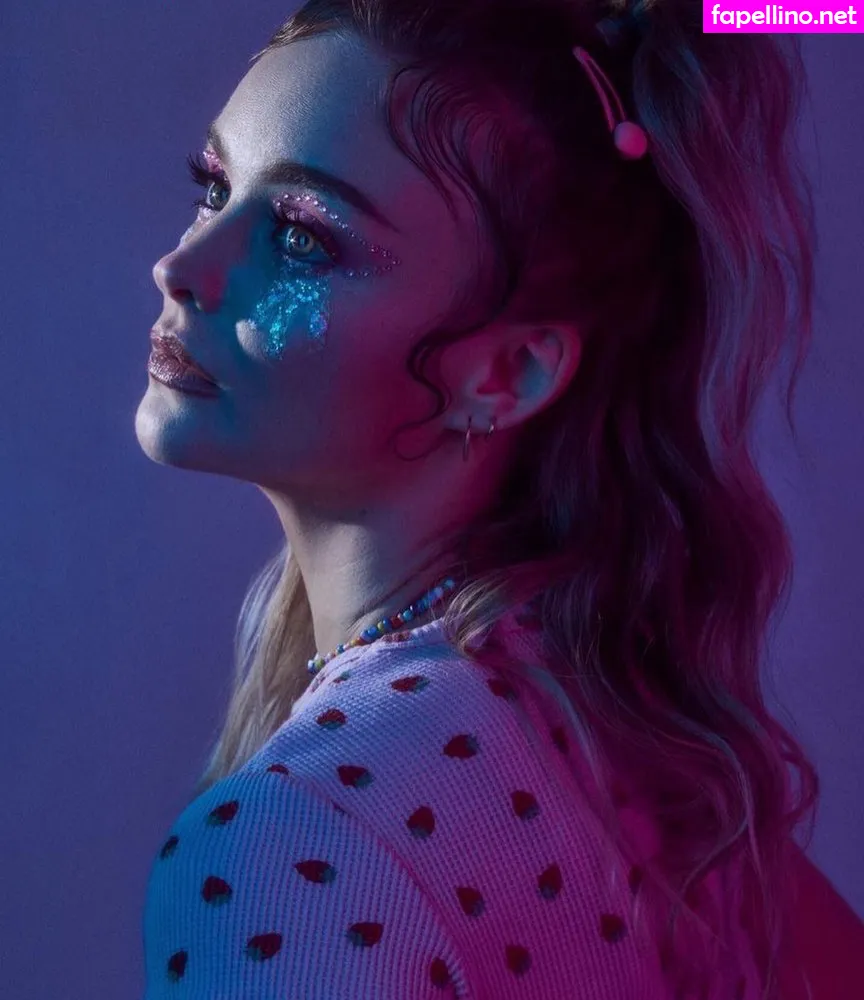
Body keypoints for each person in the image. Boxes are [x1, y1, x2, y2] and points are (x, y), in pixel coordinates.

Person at [135, 0, 860, 997]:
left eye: (302, 238)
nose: (182, 268)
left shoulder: (293, 835)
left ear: (505, 373)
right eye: (214, 188)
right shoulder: (643, 751)